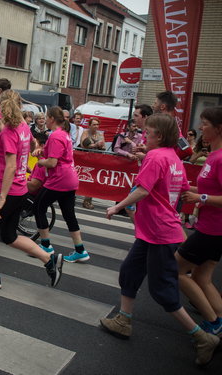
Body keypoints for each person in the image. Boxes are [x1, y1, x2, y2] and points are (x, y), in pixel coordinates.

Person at [101, 113, 219, 367]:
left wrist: (116, 207)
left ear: (159, 135)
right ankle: (123, 319)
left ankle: (201, 336)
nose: (145, 135)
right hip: (156, 230)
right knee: (130, 271)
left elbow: (143, 190)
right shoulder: (171, 156)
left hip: (159, 232)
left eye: (149, 132)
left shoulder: (156, 157)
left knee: (162, 289)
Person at [0, 89, 63, 290]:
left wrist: (1, 198)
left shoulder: (7, 133)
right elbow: (31, 144)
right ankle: (49, 258)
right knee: (9, 236)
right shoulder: (23, 127)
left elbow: (10, 165)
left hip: (8, 190)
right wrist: (24, 166)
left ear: (1, 108)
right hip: (21, 189)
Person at [175, 106, 222, 339]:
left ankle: (212, 323)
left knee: (177, 270)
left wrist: (199, 197)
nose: (201, 128)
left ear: (219, 128)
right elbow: (206, 189)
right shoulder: (213, 156)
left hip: (214, 230)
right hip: (210, 227)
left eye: (205, 124)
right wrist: (186, 189)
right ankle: (219, 321)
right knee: (202, 277)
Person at [34, 106, 89, 263]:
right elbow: (58, 154)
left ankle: (46, 246)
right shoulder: (63, 135)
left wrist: (40, 162)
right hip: (70, 179)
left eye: (46, 117)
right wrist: (42, 151)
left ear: (51, 119)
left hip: (59, 179)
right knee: (69, 214)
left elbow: (52, 162)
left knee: (38, 207)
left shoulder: (56, 136)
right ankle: (80, 250)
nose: (45, 120)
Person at [80, 117, 105, 209]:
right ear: (89, 125)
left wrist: (101, 146)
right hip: (85, 159)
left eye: (97, 124)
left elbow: (103, 146)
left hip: (95, 160)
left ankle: (87, 201)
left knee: (91, 180)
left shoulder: (100, 135)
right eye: (94, 124)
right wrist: (95, 145)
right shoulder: (86, 133)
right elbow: (83, 144)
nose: (96, 126)